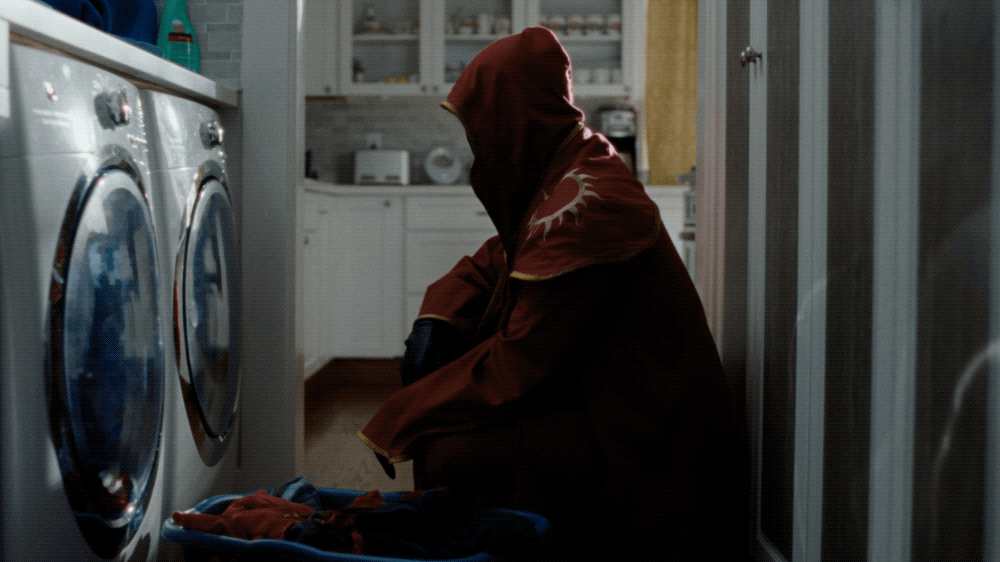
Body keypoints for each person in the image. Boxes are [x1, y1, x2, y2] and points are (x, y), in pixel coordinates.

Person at [358, 26, 746, 561]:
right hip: (624, 406)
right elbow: (498, 256)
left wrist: (406, 412)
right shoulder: (576, 162)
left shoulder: (584, 205)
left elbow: (519, 366)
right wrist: (438, 318)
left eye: (482, 128)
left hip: (650, 438)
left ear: (513, 119)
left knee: (450, 452)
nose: (478, 149)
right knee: (456, 440)